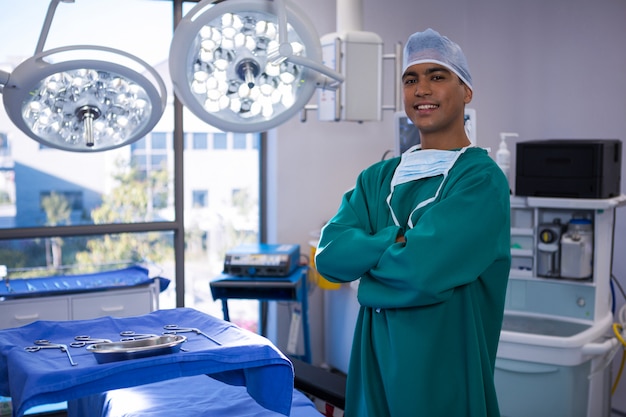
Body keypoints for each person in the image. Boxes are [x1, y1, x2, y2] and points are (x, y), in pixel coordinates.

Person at [314, 28, 511, 417]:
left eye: (437, 76)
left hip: (444, 376)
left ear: (466, 91)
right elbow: (330, 258)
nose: (422, 89)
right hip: (374, 370)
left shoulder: (480, 180)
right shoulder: (377, 178)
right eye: (410, 79)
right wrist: (396, 239)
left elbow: (419, 272)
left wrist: (366, 264)